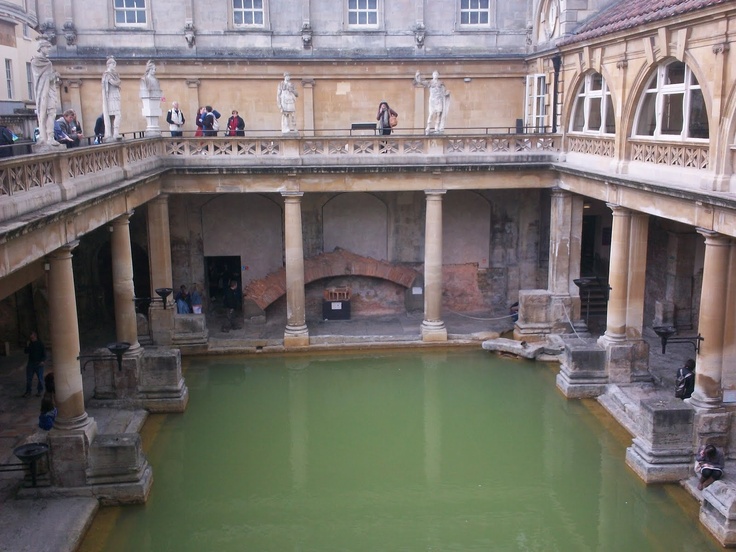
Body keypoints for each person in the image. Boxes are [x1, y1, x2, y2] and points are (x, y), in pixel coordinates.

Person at [31, 39, 61, 146]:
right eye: (47, 47)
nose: (48, 49)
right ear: (41, 47)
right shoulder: (35, 61)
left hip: (50, 90)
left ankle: (50, 137)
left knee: (52, 113)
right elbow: (42, 77)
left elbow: (50, 78)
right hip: (42, 91)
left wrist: (55, 77)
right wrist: (54, 75)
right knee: (43, 114)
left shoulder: (48, 62)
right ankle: (44, 137)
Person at [102, 56, 122, 141]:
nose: (114, 65)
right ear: (109, 64)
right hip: (110, 97)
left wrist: (118, 82)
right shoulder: (107, 74)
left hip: (116, 95)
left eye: (115, 64)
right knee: (116, 115)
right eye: (113, 64)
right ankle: (114, 133)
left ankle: (114, 133)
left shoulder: (115, 74)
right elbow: (114, 83)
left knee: (116, 115)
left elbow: (117, 82)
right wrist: (118, 82)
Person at [23, 331, 46, 398]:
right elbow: (26, 351)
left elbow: (44, 353)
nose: (32, 339)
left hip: (39, 363)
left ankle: (40, 391)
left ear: (35, 336)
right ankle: (28, 392)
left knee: (40, 379)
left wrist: (42, 361)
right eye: (31, 338)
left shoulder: (40, 344)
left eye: (32, 338)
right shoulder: (30, 344)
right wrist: (27, 345)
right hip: (31, 363)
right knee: (29, 379)